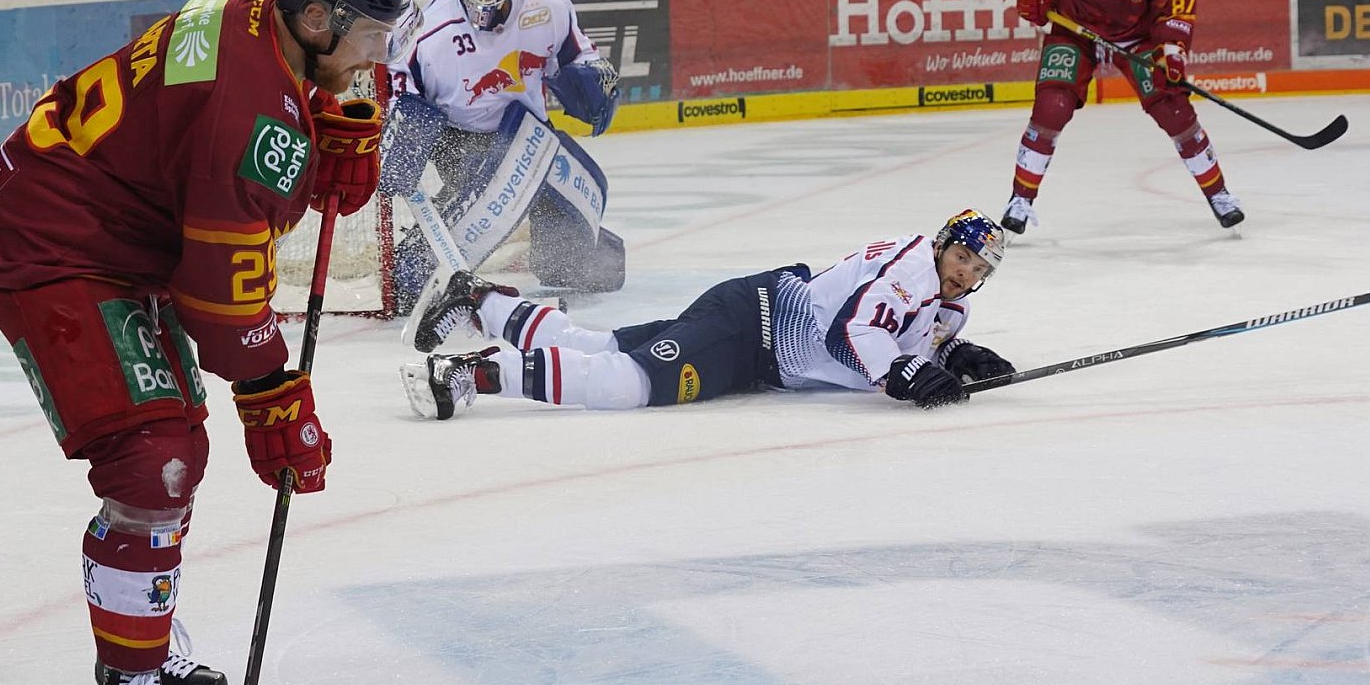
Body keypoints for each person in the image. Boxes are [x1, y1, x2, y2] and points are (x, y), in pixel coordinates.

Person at [0, 0, 413, 685]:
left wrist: (318, 118)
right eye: (371, 33)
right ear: (316, 19)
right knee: (154, 460)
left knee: (174, 449)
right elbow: (220, 300)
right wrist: (272, 392)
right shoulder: (253, 118)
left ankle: (141, 644)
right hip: (49, 241)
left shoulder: (261, 5)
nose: (378, 54)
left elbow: (248, 117)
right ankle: (134, 675)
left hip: (101, 221)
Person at [400, 210, 1012, 419]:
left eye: (978, 269)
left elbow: (906, 330)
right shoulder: (913, 270)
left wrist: (951, 353)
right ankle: (476, 373)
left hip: (753, 324)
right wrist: (900, 373)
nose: (965, 273)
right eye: (962, 257)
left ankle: (481, 301)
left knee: (605, 346)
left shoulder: (942, 295)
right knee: (630, 384)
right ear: (941, 245)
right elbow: (851, 331)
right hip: (753, 332)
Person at [381, 0, 623, 317]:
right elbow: (399, 84)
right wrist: (403, 132)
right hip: (460, 139)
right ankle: (419, 268)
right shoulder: (432, 28)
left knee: (574, 261)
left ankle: (573, 256)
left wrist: (592, 80)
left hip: (530, 133)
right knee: (475, 210)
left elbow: (578, 55)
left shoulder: (547, 6)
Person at [1006, 0, 1244, 234]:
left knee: (1174, 110)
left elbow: (1178, 3)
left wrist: (1173, 50)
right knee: (1052, 106)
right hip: (1074, 28)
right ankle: (1020, 200)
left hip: (1136, 37)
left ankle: (1220, 195)